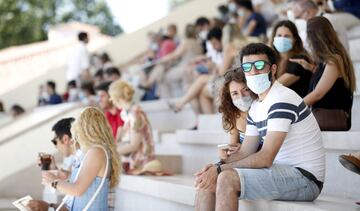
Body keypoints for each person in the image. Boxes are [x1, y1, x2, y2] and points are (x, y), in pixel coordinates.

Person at [194, 43, 325, 211]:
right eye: (248, 67)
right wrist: (215, 166)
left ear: (273, 69)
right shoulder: (257, 106)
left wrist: (220, 169)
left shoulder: (281, 99)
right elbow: (245, 151)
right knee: (206, 180)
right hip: (281, 172)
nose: (254, 71)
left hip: (306, 179)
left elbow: (265, 157)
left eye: (260, 65)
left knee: (226, 178)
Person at [41, 107, 120, 211]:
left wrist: (53, 182)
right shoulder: (93, 152)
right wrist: (68, 175)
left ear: (85, 129)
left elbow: (78, 190)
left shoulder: (96, 151)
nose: (75, 134)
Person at [290, 16, 356, 130]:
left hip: (331, 117)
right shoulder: (328, 60)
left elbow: (318, 93)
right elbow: (327, 79)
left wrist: (292, 107)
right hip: (325, 116)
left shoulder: (334, 61)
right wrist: (310, 68)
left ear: (314, 38)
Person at [27, 117, 84, 211]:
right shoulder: (76, 159)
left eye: (55, 141)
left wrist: (48, 207)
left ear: (65, 139)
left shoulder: (83, 158)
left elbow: (76, 194)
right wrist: (53, 167)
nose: (55, 147)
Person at [109, 80, 155, 174]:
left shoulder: (135, 113)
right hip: (133, 158)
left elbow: (134, 145)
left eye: (112, 97)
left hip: (141, 161)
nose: (111, 100)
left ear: (117, 98)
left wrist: (110, 152)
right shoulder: (127, 113)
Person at [218, 70, 259, 161]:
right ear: (230, 97)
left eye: (246, 90)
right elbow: (233, 145)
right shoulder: (233, 115)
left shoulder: (265, 110)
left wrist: (244, 148)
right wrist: (226, 152)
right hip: (244, 160)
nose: (241, 96)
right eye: (235, 93)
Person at [270, 20, 312, 98]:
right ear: (274, 38)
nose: (282, 39)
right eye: (279, 35)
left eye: (286, 36)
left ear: (294, 39)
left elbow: (275, 87)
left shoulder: (300, 60)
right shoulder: (273, 59)